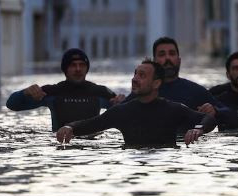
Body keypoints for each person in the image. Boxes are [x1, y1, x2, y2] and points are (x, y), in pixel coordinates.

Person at [56, 60, 217, 148]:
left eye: (142, 75)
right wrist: (70, 127)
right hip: (132, 164)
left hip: (166, 164)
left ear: (156, 83)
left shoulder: (172, 109)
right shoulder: (122, 112)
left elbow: (208, 119)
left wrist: (198, 129)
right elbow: (91, 124)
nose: (134, 79)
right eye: (135, 74)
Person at [6, 48, 123, 131]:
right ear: (65, 69)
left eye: (82, 65)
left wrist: (121, 103)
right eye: (73, 65)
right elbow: (12, 105)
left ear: (87, 68)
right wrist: (25, 93)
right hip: (62, 146)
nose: (78, 69)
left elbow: (127, 112)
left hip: (92, 147)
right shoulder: (51, 92)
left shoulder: (100, 92)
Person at [121, 37, 226, 118]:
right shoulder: (144, 92)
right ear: (154, 62)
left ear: (179, 60)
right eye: (162, 54)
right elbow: (116, 113)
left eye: (172, 54)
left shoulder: (195, 91)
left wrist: (215, 111)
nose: (167, 58)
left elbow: (229, 113)